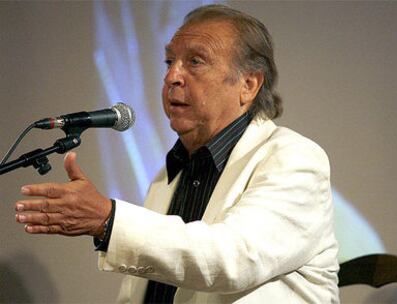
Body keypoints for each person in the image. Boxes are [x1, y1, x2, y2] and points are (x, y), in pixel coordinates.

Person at [14, 4, 339, 303]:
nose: (172, 76)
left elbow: (232, 259)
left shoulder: (295, 159)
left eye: (195, 61)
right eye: (170, 62)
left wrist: (108, 220)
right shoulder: (169, 172)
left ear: (249, 84)